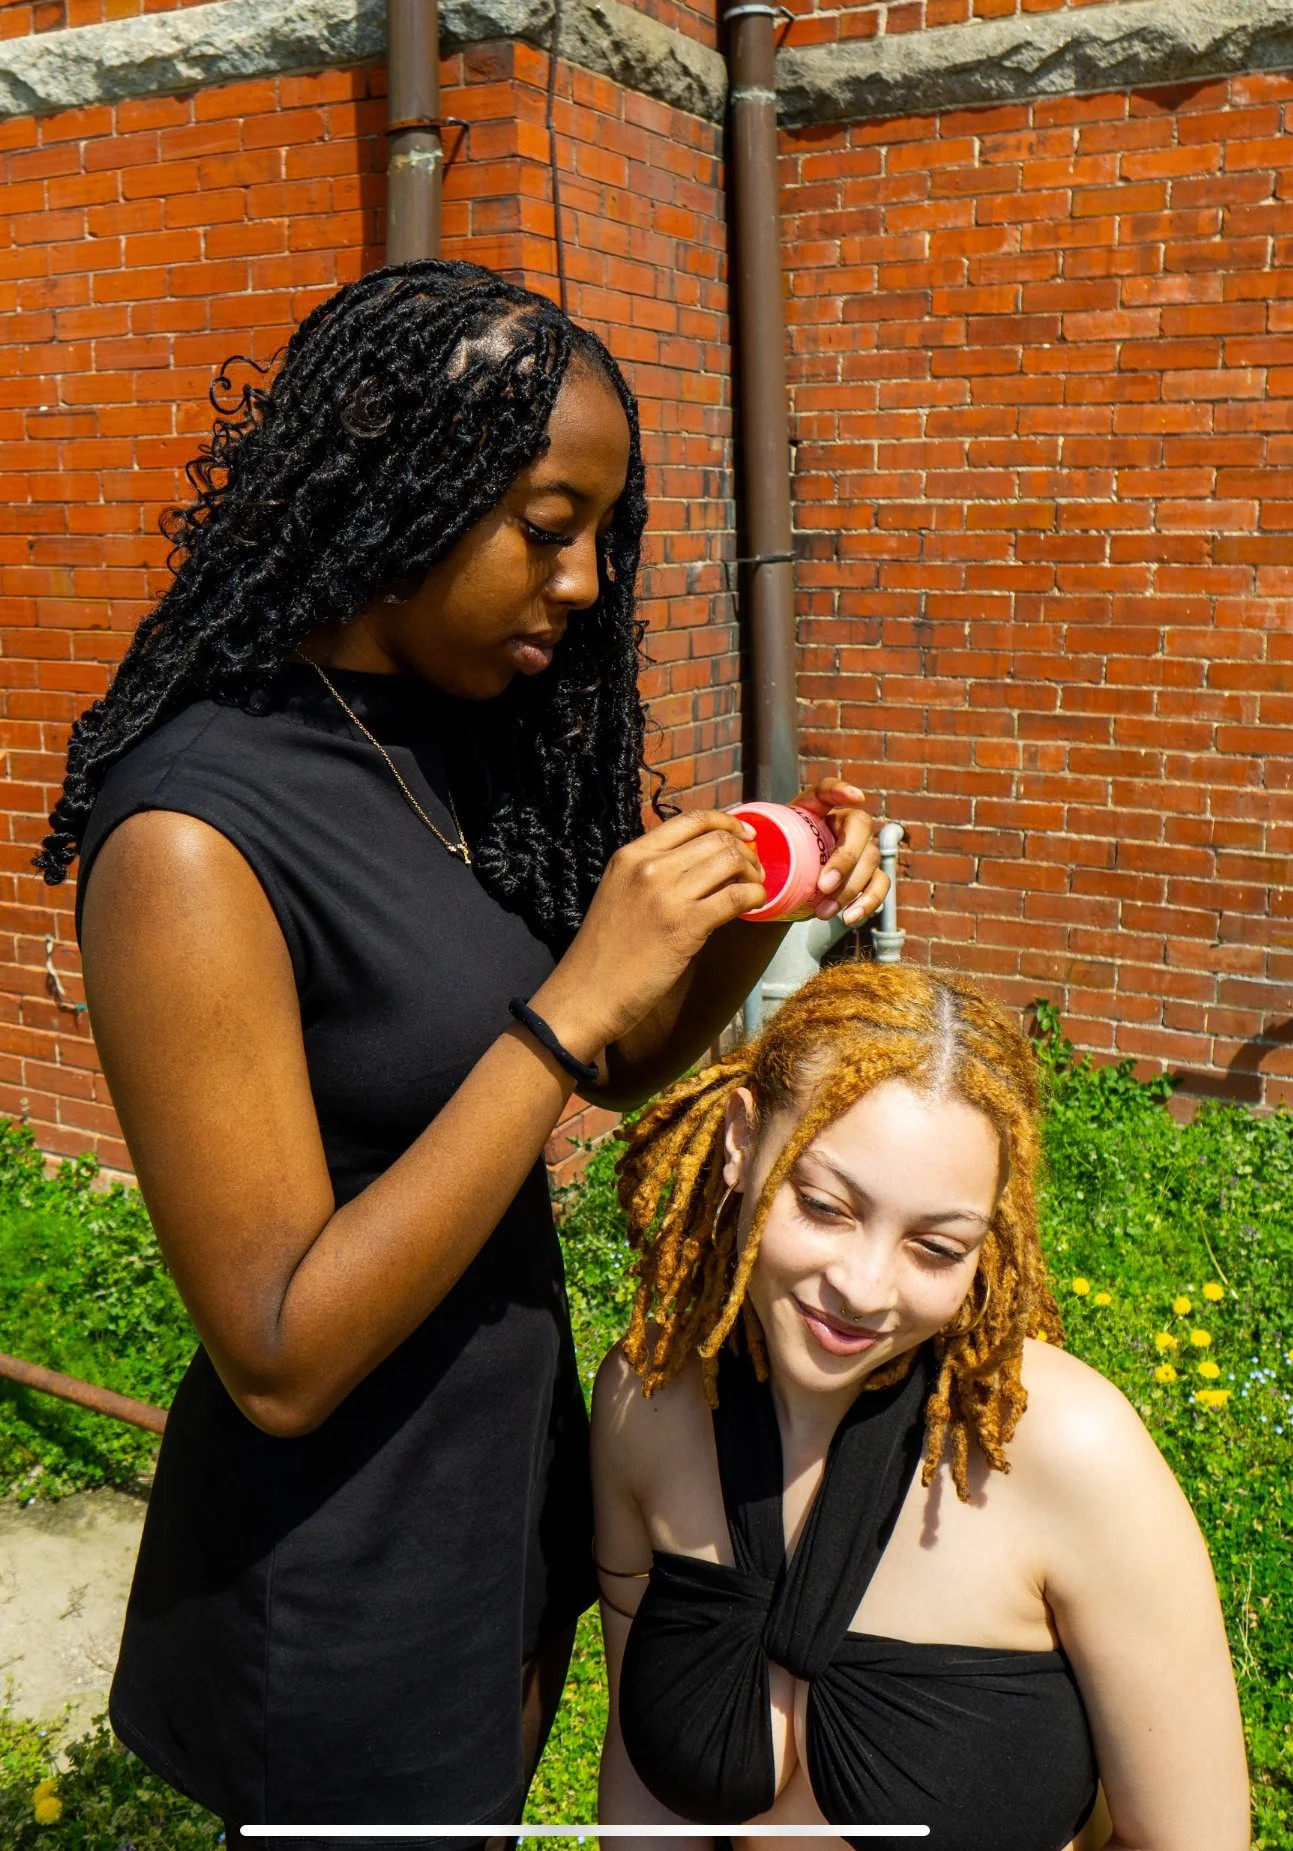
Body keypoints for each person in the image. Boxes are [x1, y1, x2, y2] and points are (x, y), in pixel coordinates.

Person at [38, 261, 889, 1838]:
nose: (580, 585)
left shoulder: (459, 748)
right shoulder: (190, 837)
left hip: (492, 1504)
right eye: (545, 526)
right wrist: (566, 1003)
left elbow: (608, 1071)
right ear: (391, 490)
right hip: (338, 1572)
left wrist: (761, 922)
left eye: (602, 538)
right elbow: (277, 1354)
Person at [592, 962, 1250, 1851]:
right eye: (824, 1206)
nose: (863, 1288)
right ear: (743, 1141)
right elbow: (644, 1783)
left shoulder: (1069, 1451)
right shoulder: (645, 1404)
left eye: (935, 1247)